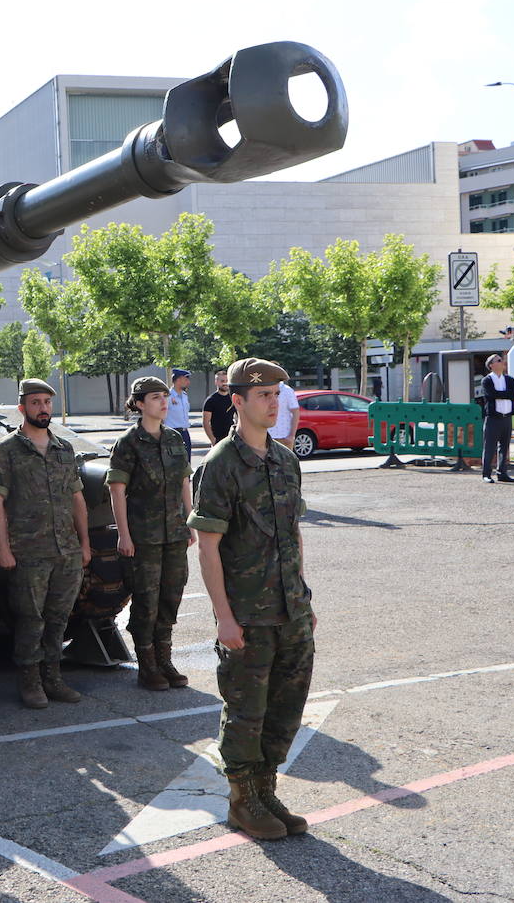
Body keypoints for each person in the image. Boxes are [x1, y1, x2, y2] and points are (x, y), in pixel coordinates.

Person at [188, 357, 315, 841]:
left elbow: (294, 534)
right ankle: (242, 799)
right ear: (237, 401)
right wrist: (224, 617)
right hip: (248, 613)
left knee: (286, 709)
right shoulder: (221, 465)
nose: (274, 402)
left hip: (291, 610)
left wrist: (303, 596)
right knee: (246, 711)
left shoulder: (286, 461)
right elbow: (209, 546)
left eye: (277, 394)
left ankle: (266, 789)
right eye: (263, 394)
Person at [0, 378, 92, 709]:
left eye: (47, 402)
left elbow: (77, 498)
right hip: (29, 550)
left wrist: (85, 543)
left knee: (59, 618)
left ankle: (53, 677)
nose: (43, 408)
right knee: (31, 619)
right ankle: (30, 682)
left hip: (66, 550)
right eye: (35, 402)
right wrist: (2, 548)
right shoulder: (6, 450)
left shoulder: (64, 448)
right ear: (22, 408)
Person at [107, 376, 195, 691]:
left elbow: (185, 481)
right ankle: (147, 665)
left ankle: (164, 658)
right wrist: (124, 535)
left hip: (174, 532)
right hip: (143, 535)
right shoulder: (128, 442)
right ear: (140, 404)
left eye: (164, 396)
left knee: (171, 595)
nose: (164, 401)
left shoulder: (173, 439)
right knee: (146, 599)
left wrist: (189, 520)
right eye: (156, 397)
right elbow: (117, 490)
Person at [479, 354, 514, 483]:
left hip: (506, 417)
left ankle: (502, 473)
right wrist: (506, 395)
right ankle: (486, 474)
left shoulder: (509, 379)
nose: (502, 362)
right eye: (499, 360)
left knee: (504, 447)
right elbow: (491, 395)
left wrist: (502, 395)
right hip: (493, 418)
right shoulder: (487, 380)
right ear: (491, 365)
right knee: (489, 447)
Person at [202, 370, 235, 446]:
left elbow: (239, 418)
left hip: (232, 438)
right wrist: (213, 440)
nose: (225, 383)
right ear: (216, 382)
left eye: (227, 381)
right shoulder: (210, 400)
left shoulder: (233, 398)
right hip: (218, 439)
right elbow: (205, 422)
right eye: (222, 381)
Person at [165, 369, 193, 451]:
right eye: (186, 379)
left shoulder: (184, 396)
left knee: (187, 461)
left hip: (184, 433)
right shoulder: (168, 397)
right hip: (172, 433)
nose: (188, 382)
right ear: (178, 380)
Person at [270, 380, 300, 451]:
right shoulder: (265, 390)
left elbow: (296, 412)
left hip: (284, 436)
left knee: (286, 461)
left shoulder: (287, 390)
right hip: (268, 436)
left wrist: (291, 436)